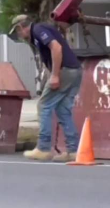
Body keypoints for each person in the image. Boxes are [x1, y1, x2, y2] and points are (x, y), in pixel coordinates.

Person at [10, 15, 82, 162]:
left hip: (65, 71)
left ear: (20, 27)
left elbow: (56, 47)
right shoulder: (40, 31)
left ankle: (43, 148)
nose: (19, 36)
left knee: (43, 105)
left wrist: (55, 75)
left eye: (17, 32)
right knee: (63, 110)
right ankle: (73, 151)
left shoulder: (38, 29)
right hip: (75, 71)